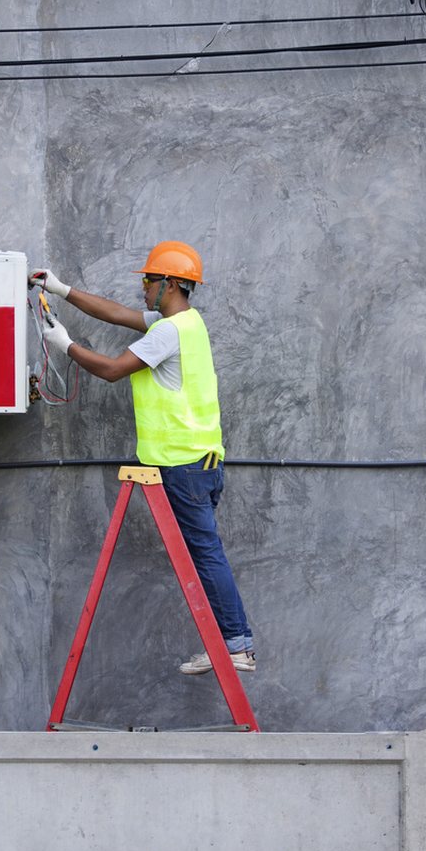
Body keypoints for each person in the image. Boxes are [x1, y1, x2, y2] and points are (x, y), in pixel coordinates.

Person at [31, 241, 256, 675]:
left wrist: (65, 346)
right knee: (203, 554)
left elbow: (115, 370)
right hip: (201, 462)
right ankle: (231, 643)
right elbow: (116, 313)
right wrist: (62, 290)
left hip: (183, 465)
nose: (143, 288)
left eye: (149, 280)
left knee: (205, 555)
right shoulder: (185, 323)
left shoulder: (168, 333)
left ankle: (236, 645)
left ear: (169, 284)